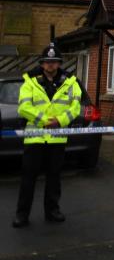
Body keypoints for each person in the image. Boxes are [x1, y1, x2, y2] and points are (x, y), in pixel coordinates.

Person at [13, 43, 81, 228]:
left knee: (54, 177)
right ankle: (22, 214)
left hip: (57, 137)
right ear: (42, 64)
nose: (50, 65)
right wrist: (44, 120)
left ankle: (52, 211)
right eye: (47, 62)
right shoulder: (30, 82)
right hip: (35, 137)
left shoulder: (71, 82)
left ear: (59, 63)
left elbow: (75, 108)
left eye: (54, 62)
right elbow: (24, 107)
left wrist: (59, 121)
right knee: (28, 178)